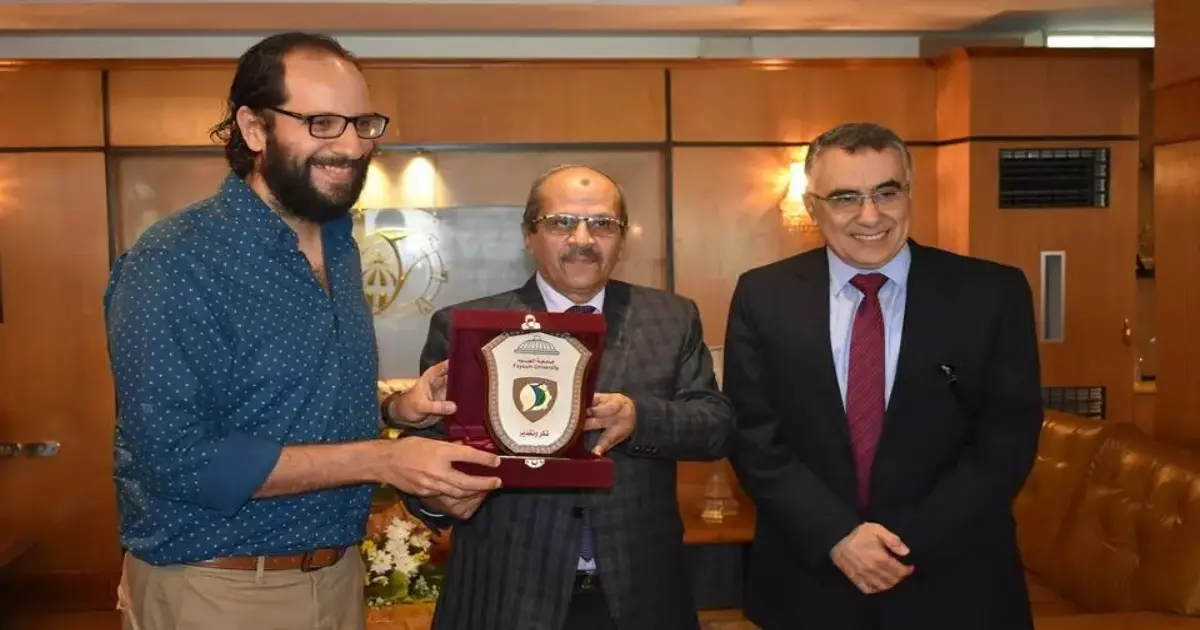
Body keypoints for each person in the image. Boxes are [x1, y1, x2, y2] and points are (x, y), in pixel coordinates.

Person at [104, 32, 500, 630]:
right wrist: (383, 460)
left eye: (361, 124)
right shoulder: (176, 260)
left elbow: (283, 405)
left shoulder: (338, 244)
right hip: (217, 589)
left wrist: (394, 410)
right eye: (321, 123)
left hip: (338, 579)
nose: (351, 146)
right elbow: (179, 459)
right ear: (254, 129)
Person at [723, 122, 1043, 630]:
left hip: (955, 582)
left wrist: (900, 547)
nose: (870, 215)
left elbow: (1006, 441)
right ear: (812, 207)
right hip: (810, 581)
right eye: (845, 197)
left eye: (887, 193)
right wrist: (839, 537)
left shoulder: (992, 292)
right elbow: (752, 435)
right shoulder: (763, 296)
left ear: (909, 193)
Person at [405, 164, 735, 630]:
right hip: (506, 592)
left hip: (642, 592)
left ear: (622, 239)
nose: (583, 238)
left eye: (602, 224)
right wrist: (439, 500)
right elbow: (426, 447)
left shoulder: (672, 317)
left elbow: (715, 425)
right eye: (561, 223)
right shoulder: (468, 327)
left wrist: (638, 418)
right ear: (529, 235)